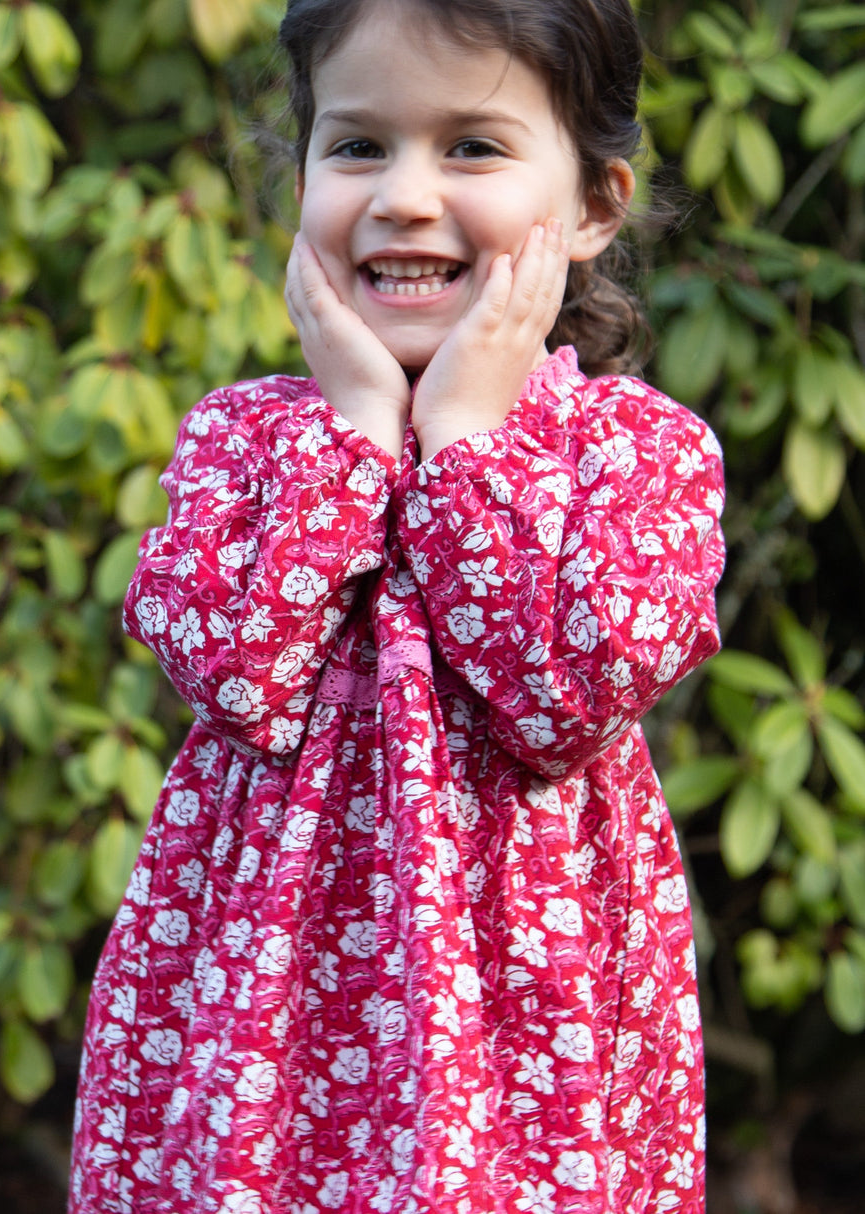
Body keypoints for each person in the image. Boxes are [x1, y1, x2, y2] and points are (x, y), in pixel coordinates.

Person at [68, 0, 725, 1210]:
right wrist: (355, 438)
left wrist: (464, 443)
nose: (404, 196)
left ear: (590, 206)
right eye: (357, 144)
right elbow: (235, 672)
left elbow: (560, 702)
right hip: (266, 1002)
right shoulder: (246, 439)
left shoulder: (631, 451)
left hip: (524, 1014)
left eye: (471, 147)